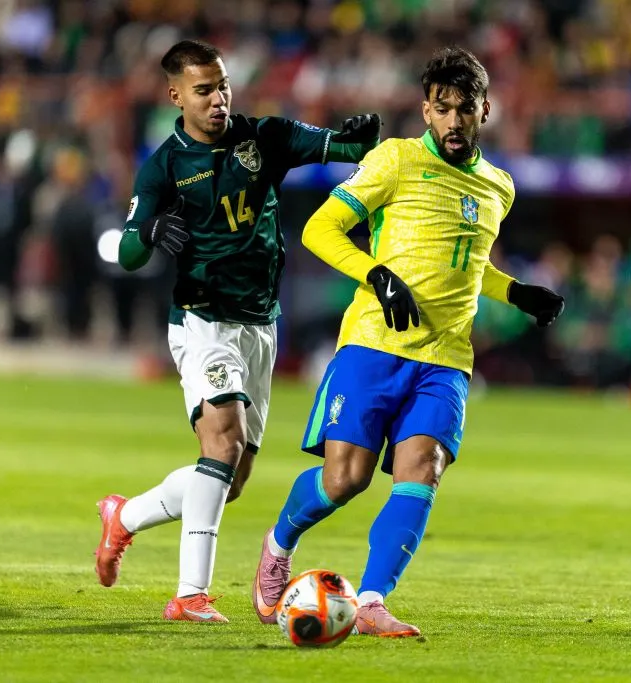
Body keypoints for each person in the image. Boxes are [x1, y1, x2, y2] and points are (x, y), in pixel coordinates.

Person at [251, 46, 565, 637]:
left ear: (484, 111)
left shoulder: (500, 187)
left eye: (464, 109)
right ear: (425, 110)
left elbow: (467, 265)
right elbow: (321, 228)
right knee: (346, 480)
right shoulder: (394, 161)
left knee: (424, 468)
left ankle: (370, 600)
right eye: (442, 108)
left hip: (446, 358)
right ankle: (278, 543)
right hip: (374, 343)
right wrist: (378, 274)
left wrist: (516, 291)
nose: (452, 120)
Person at [94, 39, 382, 623]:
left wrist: (362, 134)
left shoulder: (262, 138)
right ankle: (189, 594)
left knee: (229, 478)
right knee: (220, 444)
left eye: (223, 85)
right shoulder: (164, 166)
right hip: (203, 322)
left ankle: (122, 517)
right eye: (204, 90)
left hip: (259, 327)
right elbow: (125, 252)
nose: (219, 99)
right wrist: (153, 230)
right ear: (176, 96)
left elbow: (342, 146)